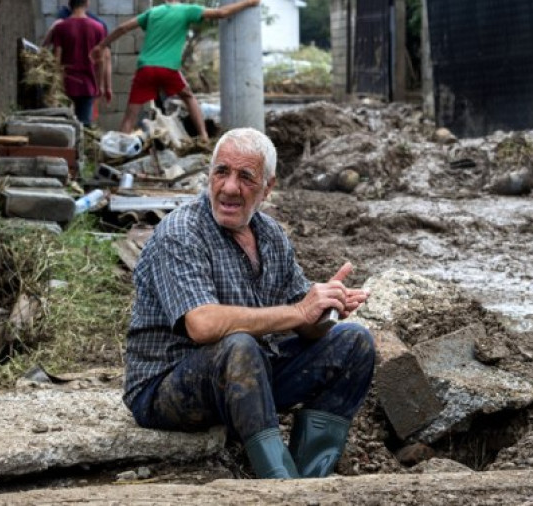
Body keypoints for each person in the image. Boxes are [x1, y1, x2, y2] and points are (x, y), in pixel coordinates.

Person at [123, 127, 376, 479]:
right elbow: (202, 325)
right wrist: (300, 310)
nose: (229, 188)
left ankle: (310, 477)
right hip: (166, 388)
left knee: (354, 342)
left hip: (248, 379)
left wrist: (324, 309)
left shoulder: (270, 235)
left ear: (267, 188)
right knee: (238, 346)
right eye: (221, 172)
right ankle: (278, 485)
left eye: (245, 177)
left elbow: (302, 323)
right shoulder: (181, 232)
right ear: (209, 176)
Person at [91, 0, 261, 142]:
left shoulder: (153, 12)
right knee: (188, 97)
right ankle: (203, 137)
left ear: (165, 0)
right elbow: (221, 12)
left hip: (146, 68)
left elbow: (123, 27)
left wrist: (102, 45)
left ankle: (119, 147)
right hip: (168, 69)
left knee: (130, 114)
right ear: (179, 0)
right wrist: (247, 2)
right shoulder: (187, 10)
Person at [48, 0, 111, 127]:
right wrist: (99, 85)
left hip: (65, 85)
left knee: (64, 127)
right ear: (87, 3)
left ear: (69, 4)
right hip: (87, 86)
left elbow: (56, 58)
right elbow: (101, 60)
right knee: (84, 128)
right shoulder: (98, 28)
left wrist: (54, 86)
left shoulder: (61, 27)